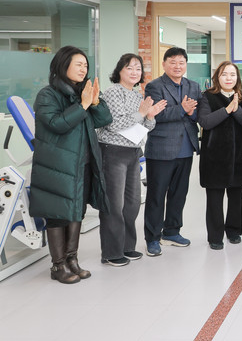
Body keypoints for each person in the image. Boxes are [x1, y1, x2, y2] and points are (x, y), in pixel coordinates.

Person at [29, 46, 112, 283]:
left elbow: (104, 120)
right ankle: (58, 266)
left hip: (82, 163)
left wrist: (94, 102)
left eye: (85, 65)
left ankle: (71, 260)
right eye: (78, 64)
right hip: (58, 165)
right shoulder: (47, 95)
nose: (83, 69)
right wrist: (83, 105)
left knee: (77, 211)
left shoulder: (81, 94)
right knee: (57, 214)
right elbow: (57, 124)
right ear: (62, 64)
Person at [97, 53, 165, 266]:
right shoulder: (113, 92)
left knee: (132, 203)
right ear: (119, 71)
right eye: (129, 68)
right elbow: (113, 124)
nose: (135, 72)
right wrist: (141, 113)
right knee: (114, 204)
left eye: (138, 68)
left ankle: (127, 247)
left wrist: (150, 116)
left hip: (133, 152)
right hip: (113, 151)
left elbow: (144, 127)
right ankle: (111, 252)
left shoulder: (137, 95)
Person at [143, 47, 201, 256]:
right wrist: (183, 109)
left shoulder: (193, 86)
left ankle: (172, 232)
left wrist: (192, 113)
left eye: (181, 62)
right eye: (173, 62)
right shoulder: (155, 86)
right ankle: (152, 238)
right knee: (157, 195)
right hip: (161, 150)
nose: (177, 66)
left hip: (186, 148)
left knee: (179, 194)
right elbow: (156, 115)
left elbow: (198, 114)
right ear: (164, 64)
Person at [198, 61, 242, 250]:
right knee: (214, 199)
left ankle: (234, 231)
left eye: (232, 74)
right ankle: (215, 236)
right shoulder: (207, 96)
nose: (229, 78)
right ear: (217, 77)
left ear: (237, 78)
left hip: (238, 157)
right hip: (214, 158)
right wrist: (227, 110)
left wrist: (236, 109)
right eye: (224, 74)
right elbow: (205, 121)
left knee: (236, 197)